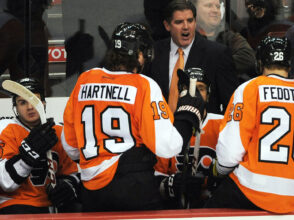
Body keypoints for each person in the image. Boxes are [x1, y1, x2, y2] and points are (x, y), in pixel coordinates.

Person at [61, 22, 205, 212]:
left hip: (92, 192)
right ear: (140, 54)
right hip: (133, 189)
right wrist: (188, 113)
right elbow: (168, 146)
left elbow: (71, 147)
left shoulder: (85, 80)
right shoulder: (144, 85)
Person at [204, 36, 294, 214]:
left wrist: (217, 170)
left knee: (204, 211)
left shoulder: (251, 88)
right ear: (289, 64)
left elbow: (230, 152)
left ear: (260, 63)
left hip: (251, 189)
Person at [143, 0, 239, 115]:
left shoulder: (217, 54)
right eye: (179, 22)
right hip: (159, 129)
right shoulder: (154, 51)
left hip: (202, 130)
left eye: (190, 21)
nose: (186, 27)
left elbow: (231, 104)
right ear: (167, 25)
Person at [0, 78, 80, 214]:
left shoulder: (59, 132)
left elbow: (73, 173)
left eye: (34, 101)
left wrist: (68, 185)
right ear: (16, 108)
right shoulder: (6, 129)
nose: (30, 107)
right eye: (22, 102)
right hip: (15, 204)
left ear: (43, 103)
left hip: (49, 206)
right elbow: (5, 182)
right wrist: (30, 151)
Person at [154, 67, 223, 208]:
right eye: (188, 88)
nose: (194, 93)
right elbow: (157, 174)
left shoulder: (223, 124)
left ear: (208, 95)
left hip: (213, 208)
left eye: (200, 88)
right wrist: (170, 184)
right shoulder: (166, 125)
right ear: (180, 93)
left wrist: (212, 182)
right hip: (175, 209)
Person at [191, 0, 257, 82]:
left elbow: (248, 58)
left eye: (218, 7)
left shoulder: (230, 36)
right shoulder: (186, 37)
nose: (215, 10)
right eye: (209, 6)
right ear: (193, 10)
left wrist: (210, 65)